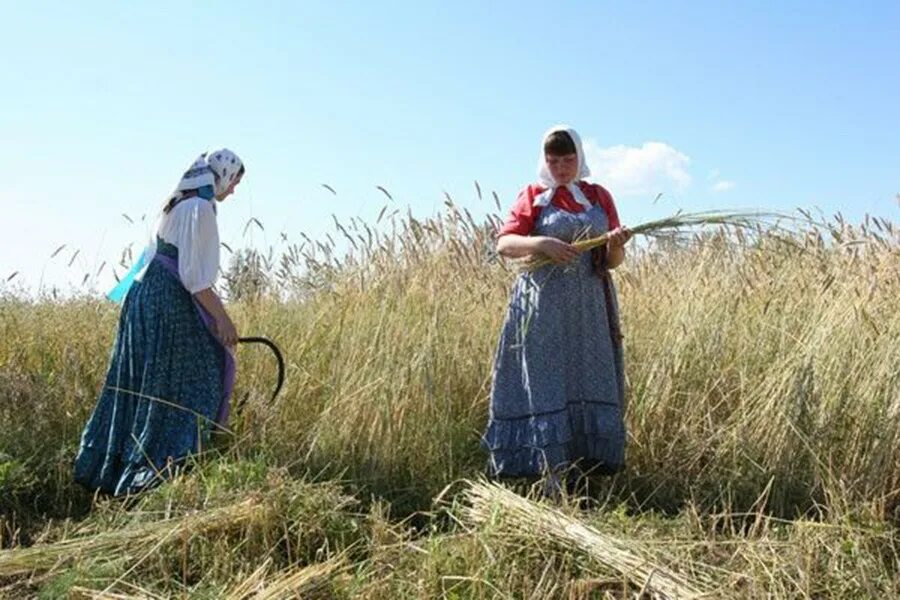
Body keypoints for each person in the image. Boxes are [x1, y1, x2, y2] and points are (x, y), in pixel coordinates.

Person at [74, 149, 245, 496]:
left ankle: (111, 472)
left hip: (144, 298)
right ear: (224, 175)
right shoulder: (200, 209)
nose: (233, 191)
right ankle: (155, 476)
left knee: (142, 384)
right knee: (197, 376)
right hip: (165, 302)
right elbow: (196, 280)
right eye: (235, 182)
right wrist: (224, 320)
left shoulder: (179, 202)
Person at [482, 126, 632, 491]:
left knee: (586, 375)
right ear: (544, 160)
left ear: (579, 158)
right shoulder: (534, 195)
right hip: (542, 304)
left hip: (589, 306)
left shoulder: (598, 196)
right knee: (546, 378)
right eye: (554, 160)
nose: (562, 167)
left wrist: (616, 243)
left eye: (568, 159)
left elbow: (612, 261)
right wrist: (543, 243)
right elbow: (504, 244)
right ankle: (549, 477)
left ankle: (581, 476)